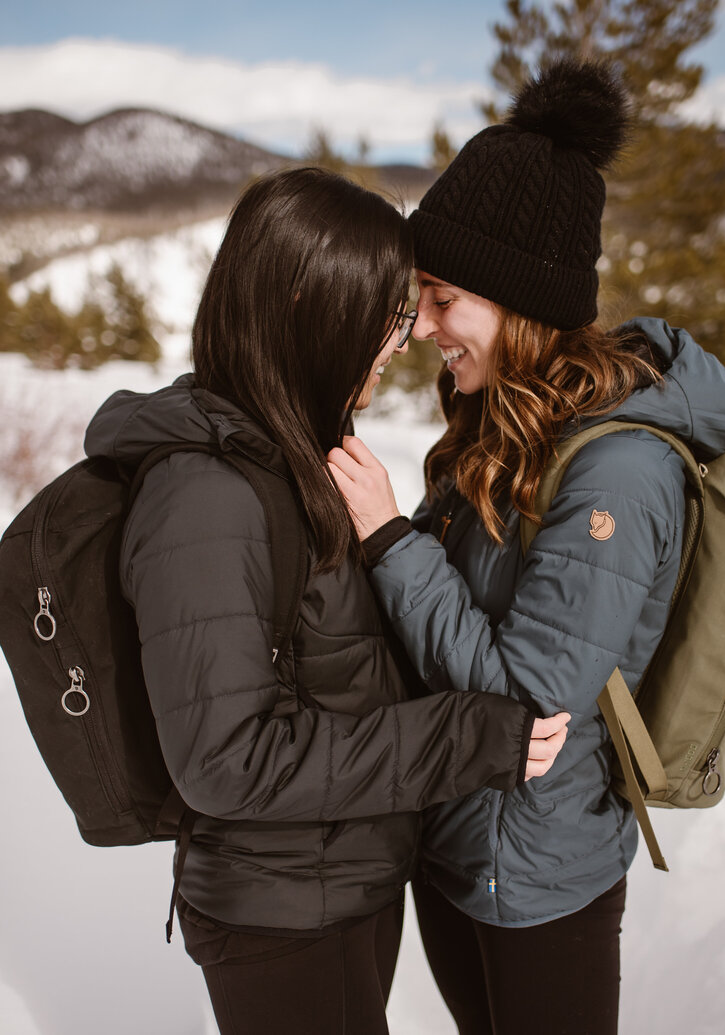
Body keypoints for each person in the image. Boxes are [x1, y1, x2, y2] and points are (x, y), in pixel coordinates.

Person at [83, 166, 570, 1035]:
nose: (405, 335)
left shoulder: (289, 454)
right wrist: (462, 734)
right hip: (280, 920)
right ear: (314, 300)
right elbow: (228, 758)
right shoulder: (207, 493)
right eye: (388, 311)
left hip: (335, 884)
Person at [327, 59, 725, 1034]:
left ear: (515, 302)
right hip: (450, 840)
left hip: (534, 875)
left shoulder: (616, 474)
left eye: (441, 299)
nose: (421, 326)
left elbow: (525, 704)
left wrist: (390, 537)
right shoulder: (501, 421)